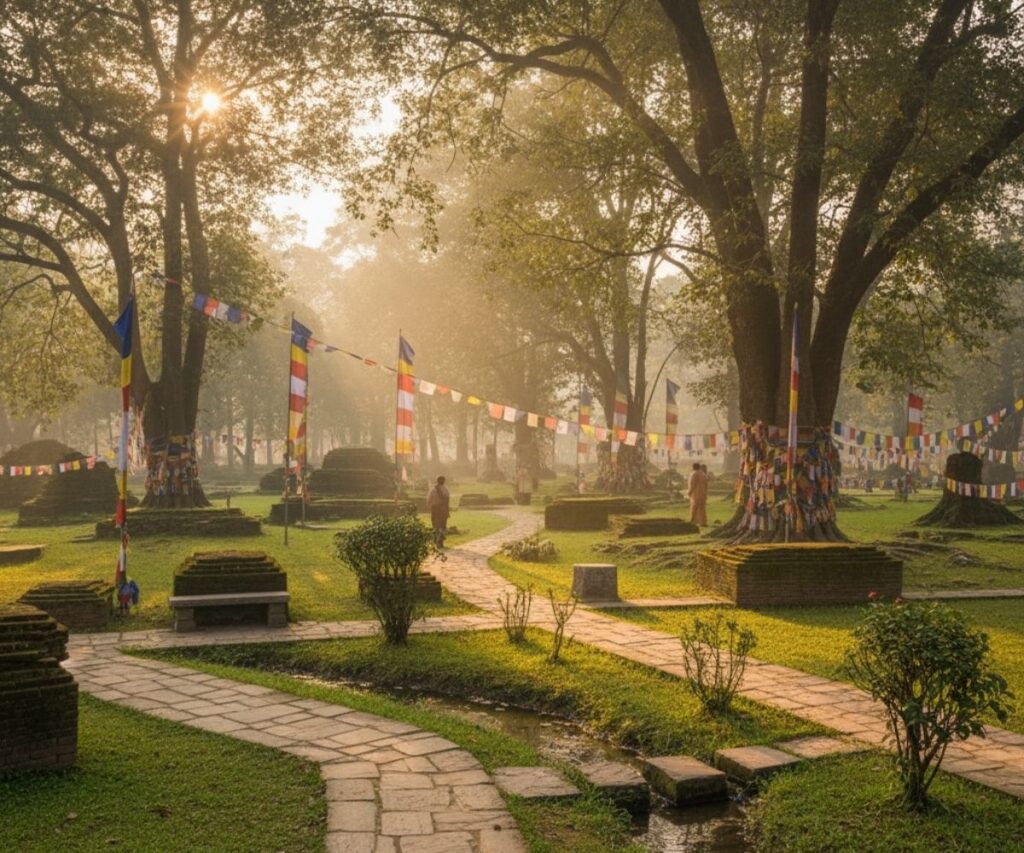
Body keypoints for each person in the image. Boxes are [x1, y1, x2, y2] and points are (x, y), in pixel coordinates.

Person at [426, 475, 450, 548]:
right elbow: (447, 501)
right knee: (442, 526)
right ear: (444, 481)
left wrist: (431, 507)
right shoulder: (446, 490)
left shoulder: (432, 490)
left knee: (435, 526)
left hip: (435, 509)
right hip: (443, 510)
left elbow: (428, 500)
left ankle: (436, 540)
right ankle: (440, 541)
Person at [688, 462, 708, 526]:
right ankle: (703, 522)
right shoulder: (703, 474)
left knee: (694, 507)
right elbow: (706, 484)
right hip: (703, 493)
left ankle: (693, 520)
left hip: (696, 493)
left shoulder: (694, 474)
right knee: (702, 508)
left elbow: (692, 484)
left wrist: (690, 492)